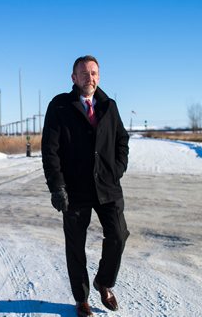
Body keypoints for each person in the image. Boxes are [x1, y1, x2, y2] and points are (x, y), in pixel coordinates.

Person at [41, 55, 130, 317]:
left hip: (107, 185)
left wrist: (117, 169)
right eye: (83, 73)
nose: (89, 78)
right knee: (75, 245)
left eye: (93, 73)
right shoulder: (59, 106)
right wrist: (57, 187)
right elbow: (50, 151)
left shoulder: (108, 106)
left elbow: (121, 140)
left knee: (118, 235)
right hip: (74, 188)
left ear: (98, 77)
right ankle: (81, 299)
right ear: (73, 78)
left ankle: (104, 281)